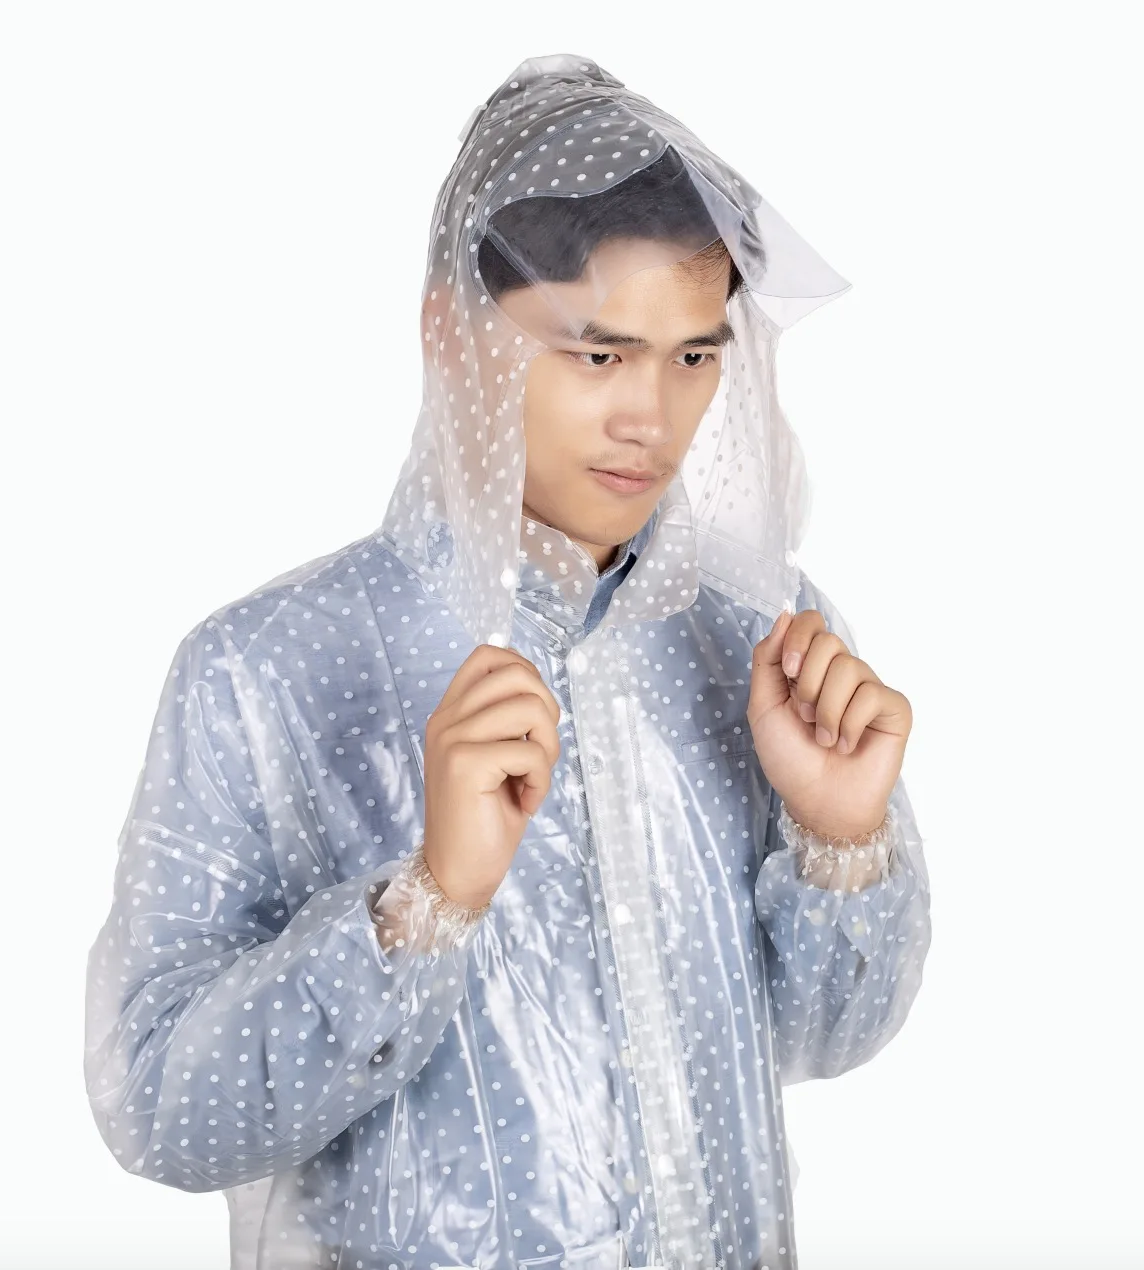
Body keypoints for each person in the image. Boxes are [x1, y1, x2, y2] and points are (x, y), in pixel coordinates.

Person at [84, 53, 932, 1270]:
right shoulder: (266, 673)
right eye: (598, 354)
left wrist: (838, 840)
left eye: (694, 356)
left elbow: (825, 1038)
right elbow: (164, 1111)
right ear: (448, 330)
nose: (652, 417)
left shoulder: (761, 639)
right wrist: (423, 905)